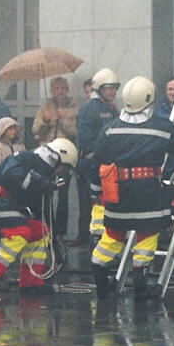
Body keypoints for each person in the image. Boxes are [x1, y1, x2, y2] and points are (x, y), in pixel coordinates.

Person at [88, 76, 174, 300]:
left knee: (112, 236)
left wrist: (97, 192)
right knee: (147, 234)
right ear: (149, 100)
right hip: (149, 193)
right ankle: (141, 287)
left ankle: (101, 282)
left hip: (118, 194)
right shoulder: (161, 127)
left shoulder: (110, 129)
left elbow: (96, 163)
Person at [0, 138, 78, 292]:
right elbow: (10, 174)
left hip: (8, 206)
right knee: (20, 232)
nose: (62, 173)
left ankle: (30, 281)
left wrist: (53, 239)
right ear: (58, 158)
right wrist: (41, 184)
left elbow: (42, 210)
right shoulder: (29, 159)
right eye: (64, 168)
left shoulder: (45, 173)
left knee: (41, 230)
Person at [75, 68, 120, 246]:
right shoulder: (90, 109)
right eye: (110, 88)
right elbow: (87, 140)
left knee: (102, 202)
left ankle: (101, 239)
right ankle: (95, 239)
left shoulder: (108, 108)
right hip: (93, 164)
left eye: (115, 88)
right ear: (100, 88)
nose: (113, 92)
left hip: (104, 164)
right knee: (95, 203)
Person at [31, 76, 79, 243]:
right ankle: (47, 227)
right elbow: (35, 130)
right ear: (52, 91)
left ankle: (60, 230)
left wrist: (62, 118)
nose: (60, 92)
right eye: (57, 88)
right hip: (47, 156)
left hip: (64, 157)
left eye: (63, 88)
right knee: (46, 191)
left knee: (63, 194)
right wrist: (46, 121)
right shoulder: (45, 107)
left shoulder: (73, 107)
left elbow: (75, 132)